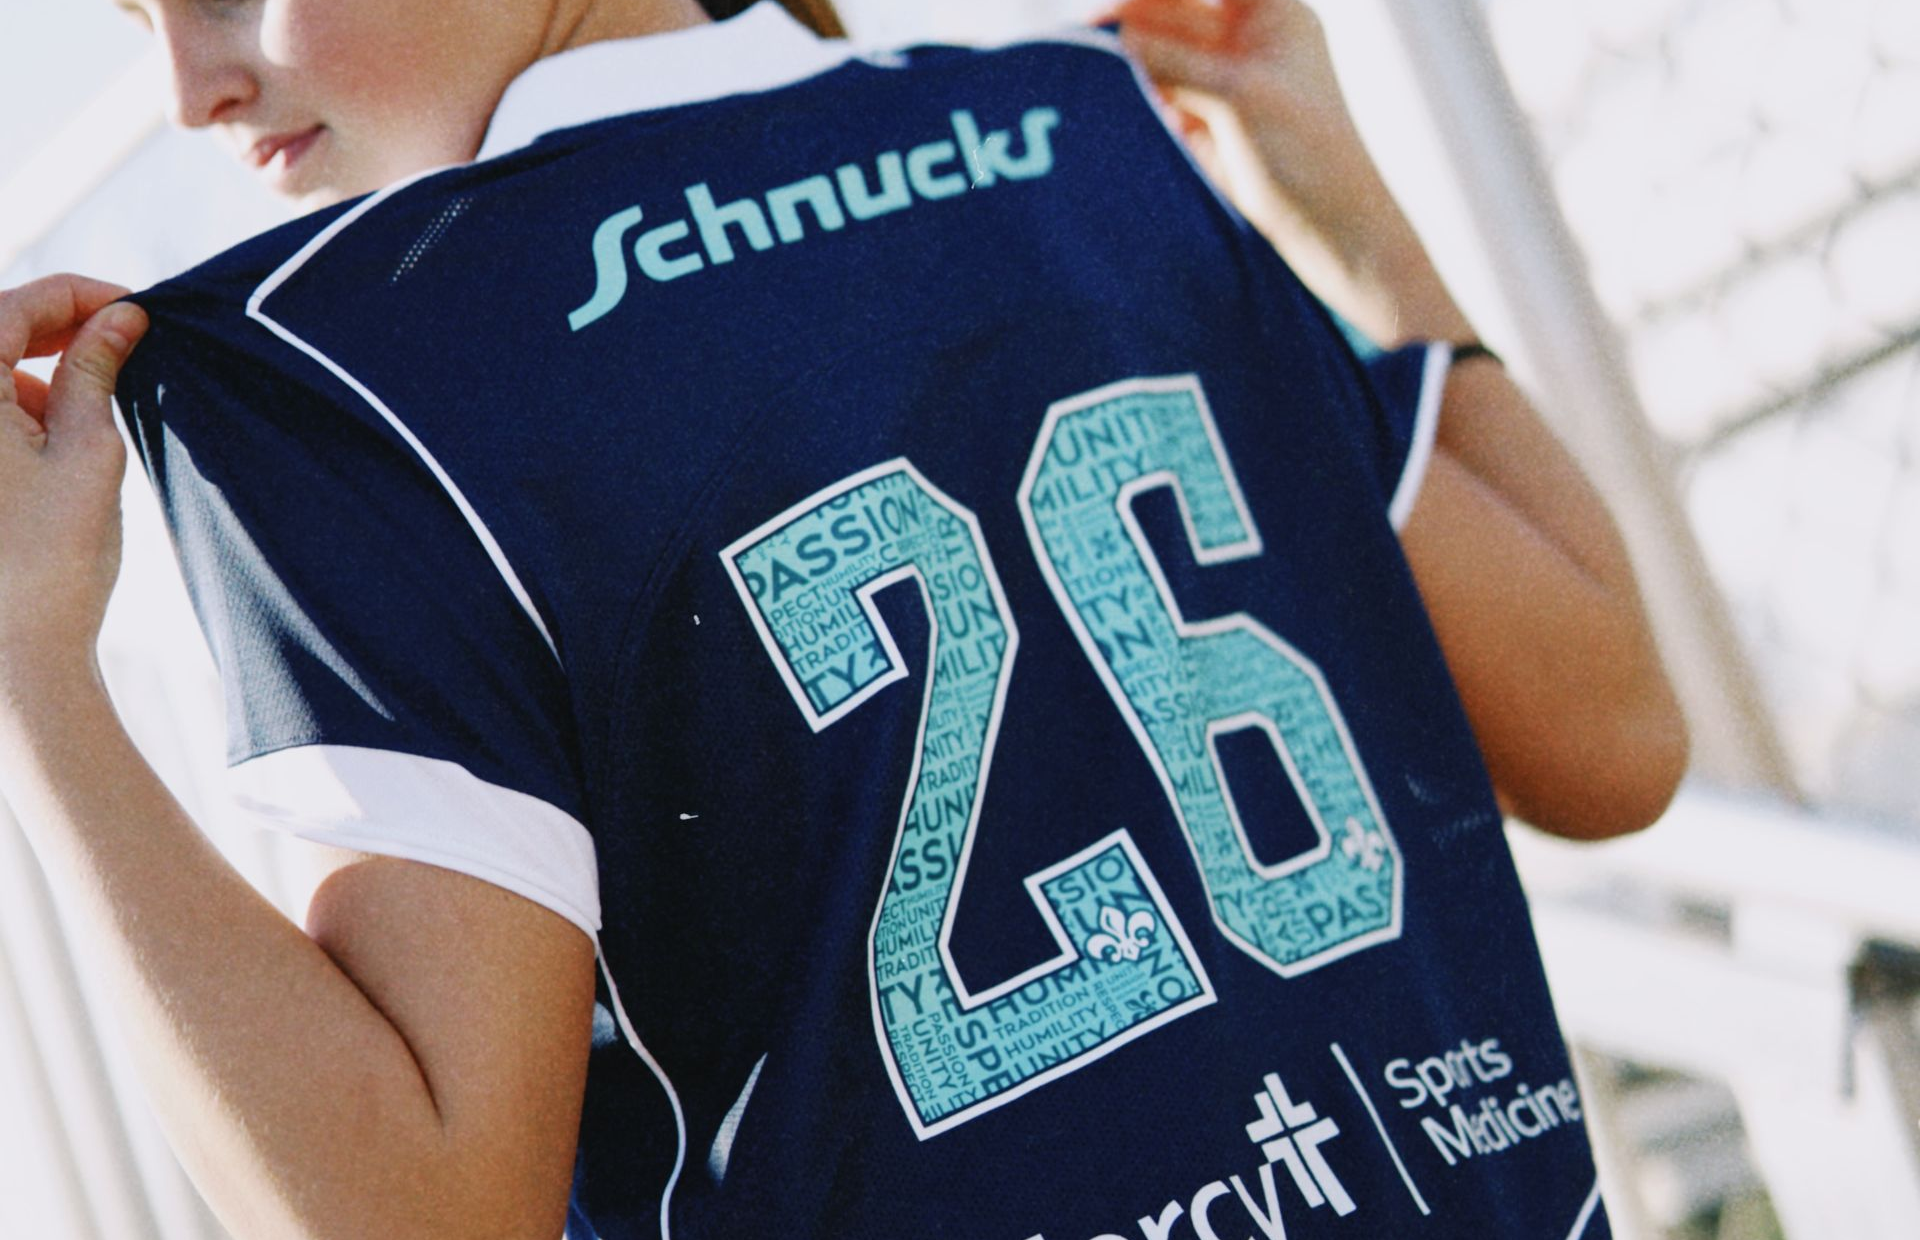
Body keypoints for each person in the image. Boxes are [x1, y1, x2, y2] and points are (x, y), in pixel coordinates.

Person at [0, 0, 1686, 1236]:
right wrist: (1352, 214)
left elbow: (420, 1218)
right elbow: (1616, 739)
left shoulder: (358, 386)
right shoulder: (1075, 146)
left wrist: (33, 678)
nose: (190, 90)